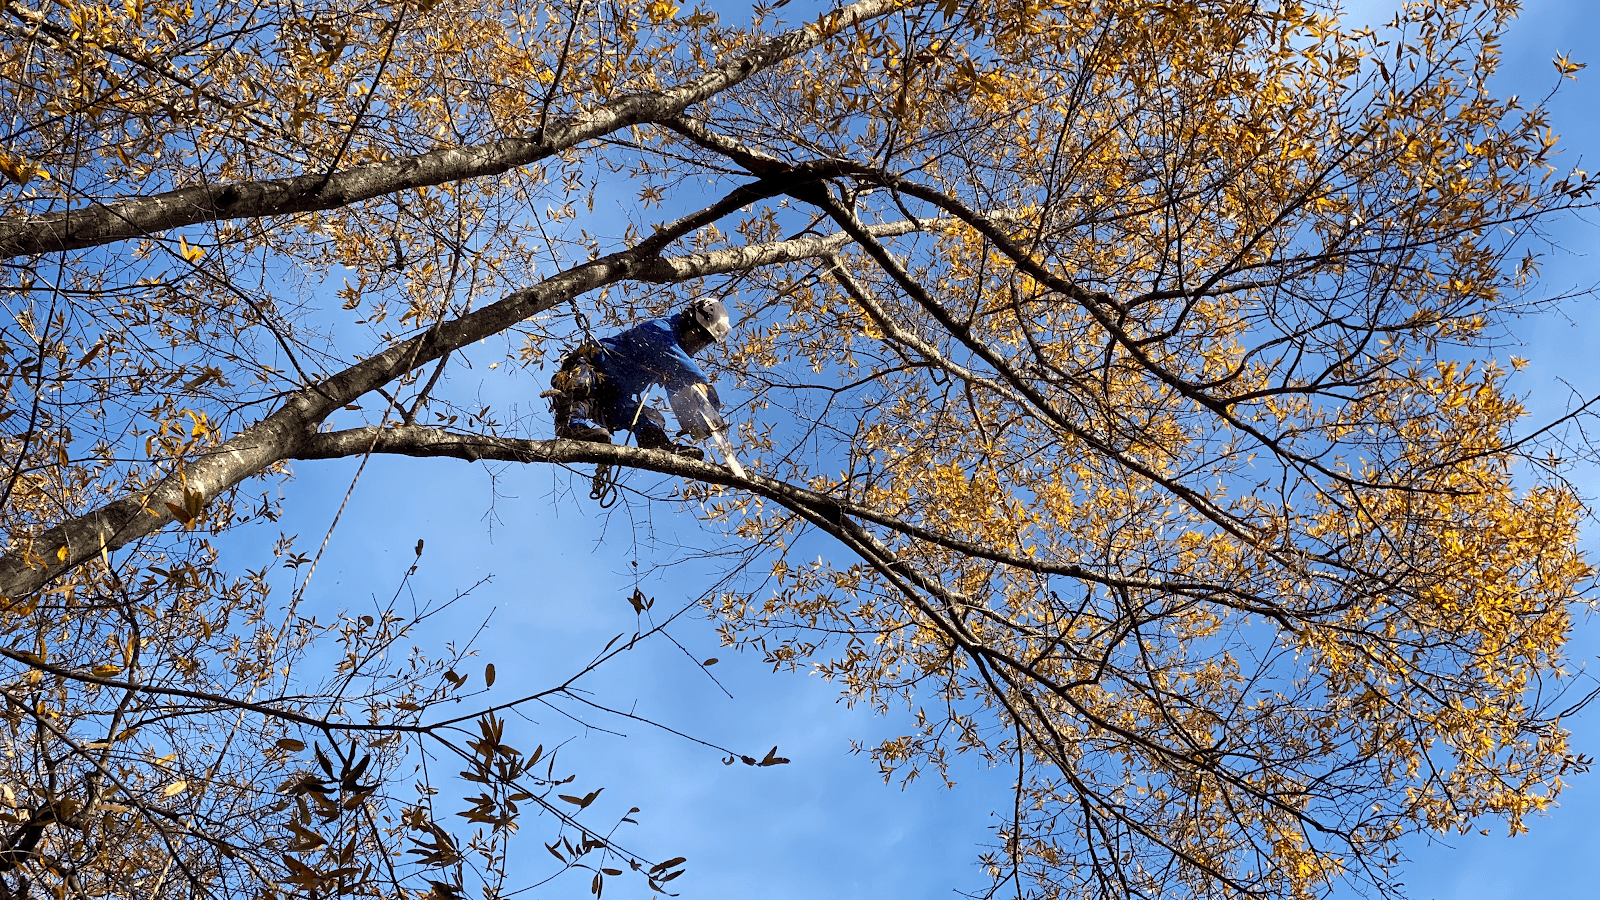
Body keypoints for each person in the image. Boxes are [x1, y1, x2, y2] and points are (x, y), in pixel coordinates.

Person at [546, 298, 731, 459]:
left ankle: (659, 448)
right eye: (700, 337)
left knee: (651, 418)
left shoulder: (676, 362)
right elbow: (674, 357)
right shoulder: (659, 330)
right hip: (591, 369)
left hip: (613, 398)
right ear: (689, 322)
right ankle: (572, 428)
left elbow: (679, 393)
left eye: (704, 343)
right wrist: (704, 382)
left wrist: (700, 419)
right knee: (581, 384)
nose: (698, 345)